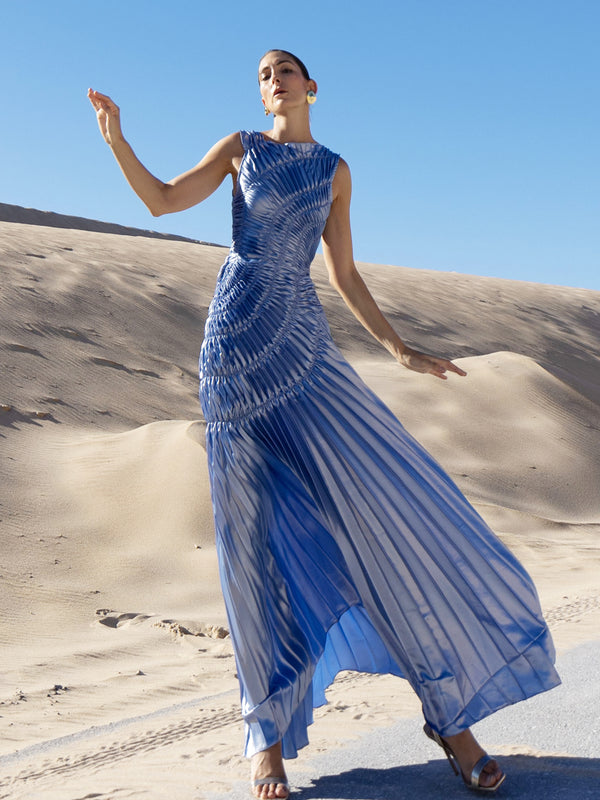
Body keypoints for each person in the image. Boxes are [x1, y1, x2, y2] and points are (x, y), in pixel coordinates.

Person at [88, 49, 560, 798]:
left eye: (284, 70)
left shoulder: (336, 170)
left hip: (305, 357)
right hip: (233, 357)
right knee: (248, 547)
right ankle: (263, 740)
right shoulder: (240, 148)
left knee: (373, 523)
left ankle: (451, 720)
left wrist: (400, 349)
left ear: (311, 86)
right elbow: (163, 201)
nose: (271, 79)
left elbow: (342, 272)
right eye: (261, 74)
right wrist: (118, 141)